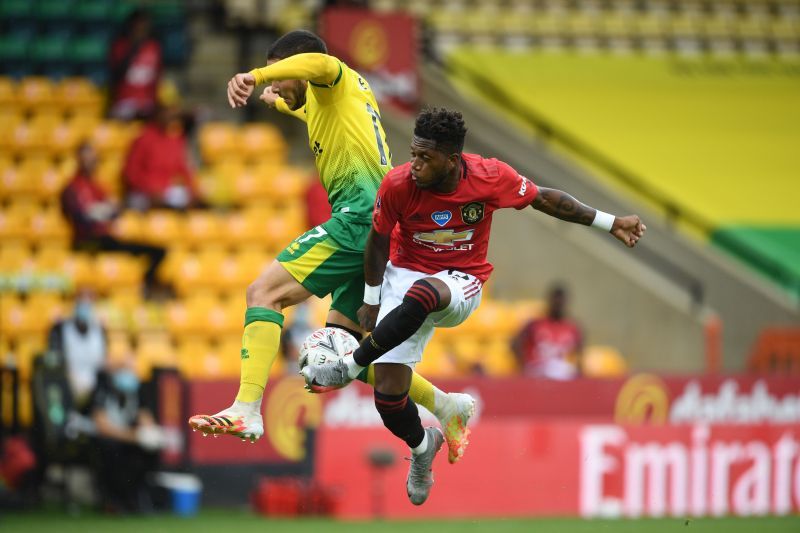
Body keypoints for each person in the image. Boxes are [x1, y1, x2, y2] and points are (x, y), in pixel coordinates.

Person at [302, 108, 646, 505]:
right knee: (389, 398)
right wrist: (371, 301)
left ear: (452, 160)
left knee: (423, 296)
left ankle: (351, 364)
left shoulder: (490, 176)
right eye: (413, 153)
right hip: (403, 275)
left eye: (425, 157)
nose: (414, 164)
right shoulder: (398, 184)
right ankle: (422, 447)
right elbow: (378, 241)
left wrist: (610, 221)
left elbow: (547, 200)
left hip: (460, 281)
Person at [188, 31, 475, 465]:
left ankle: (247, 408)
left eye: (286, 73)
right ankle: (444, 406)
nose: (280, 83)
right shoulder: (344, 101)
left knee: (263, 294)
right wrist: (281, 100)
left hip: (358, 219)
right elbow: (319, 114)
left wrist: (256, 74)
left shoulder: (335, 75)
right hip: (380, 231)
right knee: (348, 349)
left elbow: (319, 66)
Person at [60, 142, 167, 295]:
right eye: (86, 158)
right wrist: (103, 212)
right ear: (78, 160)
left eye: (93, 158)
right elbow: (81, 216)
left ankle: (146, 288)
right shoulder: (72, 188)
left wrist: (105, 211)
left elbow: (114, 210)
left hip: (105, 237)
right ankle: (144, 291)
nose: (91, 162)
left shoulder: (99, 186)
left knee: (158, 251)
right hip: (87, 241)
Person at [90, 357, 164, 513]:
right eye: (125, 370)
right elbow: (102, 426)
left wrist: (150, 433)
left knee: (149, 452)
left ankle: (135, 497)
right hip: (106, 440)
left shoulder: (136, 392)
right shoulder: (103, 390)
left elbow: (146, 418)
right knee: (110, 450)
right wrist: (133, 437)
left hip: (128, 440)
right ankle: (113, 500)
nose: (129, 375)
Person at [123, 103, 202, 211]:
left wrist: (193, 191)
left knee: (197, 203)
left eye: (174, 116)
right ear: (159, 115)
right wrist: (150, 190)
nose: (172, 119)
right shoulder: (144, 139)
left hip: (168, 192)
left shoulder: (176, 139)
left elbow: (183, 169)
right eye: (168, 114)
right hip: (144, 193)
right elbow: (131, 173)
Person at [47, 290, 108, 412]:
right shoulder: (60, 329)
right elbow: (55, 359)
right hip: (68, 382)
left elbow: (103, 361)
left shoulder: (100, 330)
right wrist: (70, 380)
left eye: (89, 299)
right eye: (81, 299)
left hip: (94, 387)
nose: (85, 304)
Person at [512, 284, 584, 379]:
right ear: (549, 301)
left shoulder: (573, 328)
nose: (558, 305)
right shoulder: (535, 324)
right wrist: (524, 365)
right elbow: (515, 344)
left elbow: (579, 355)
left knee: (565, 370)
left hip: (561, 371)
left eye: (560, 302)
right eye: (555, 301)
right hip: (537, 368)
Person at [108, 8, 163, 120]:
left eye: (145, 25)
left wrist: (155, 100)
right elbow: (117, 75)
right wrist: (134, 48)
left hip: (148, 102)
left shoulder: (154, 47)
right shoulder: (120, 46)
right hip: (125, 101)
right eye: (139, 25)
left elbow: (157, 76)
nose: (142, 29)